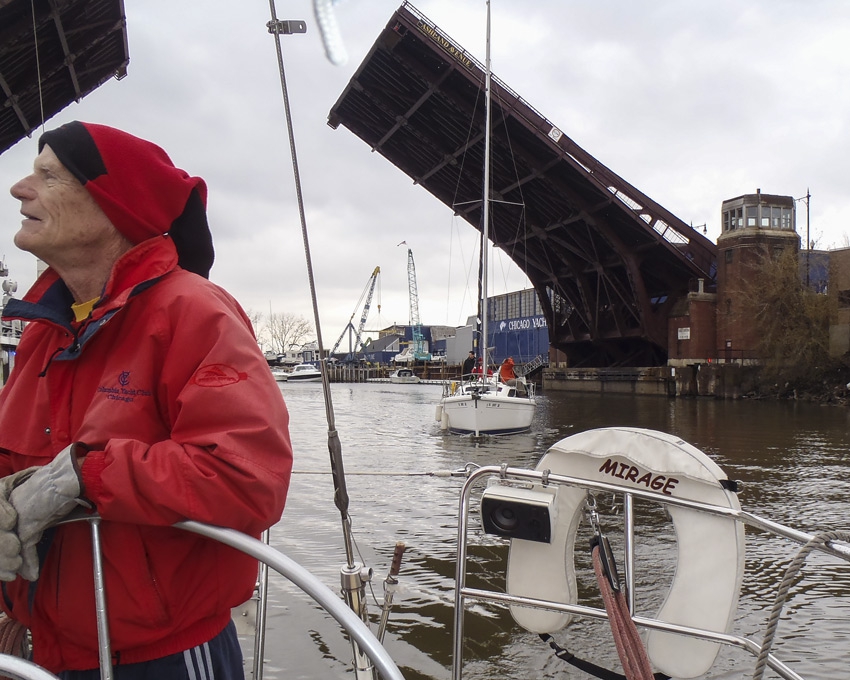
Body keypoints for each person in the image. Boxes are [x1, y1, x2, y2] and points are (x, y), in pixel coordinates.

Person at [0, 121, 293, 678]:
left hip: (164, 657)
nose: (20, 189)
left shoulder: (193, 312)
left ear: (112, 205)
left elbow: (246, 476)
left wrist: (82, 478)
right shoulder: (41, 332)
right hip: (42, 649)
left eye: (48, 175)